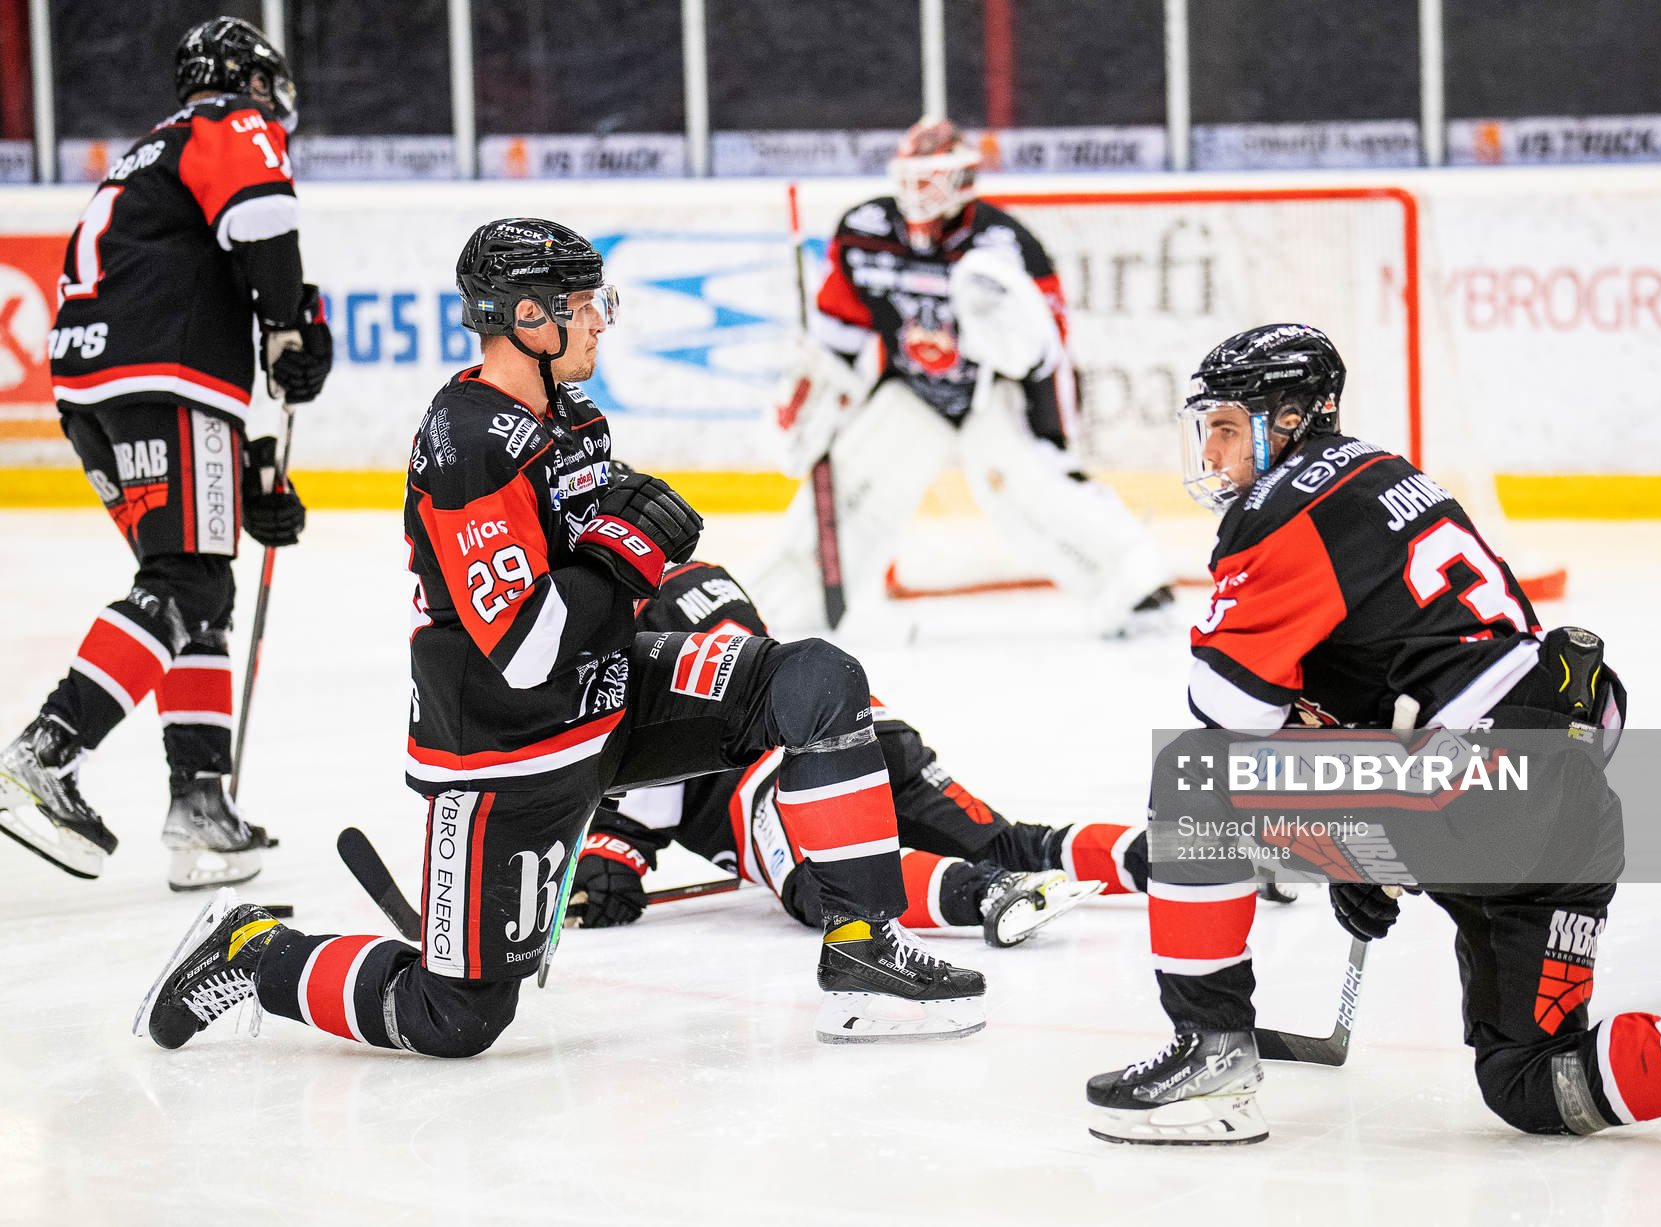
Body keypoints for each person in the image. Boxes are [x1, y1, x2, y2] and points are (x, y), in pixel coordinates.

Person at [135, 218, 985, 1058]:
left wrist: (626, 529)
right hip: (507, 746)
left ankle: (863, 951)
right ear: (528, 317)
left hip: (607, 696)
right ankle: (254, 953)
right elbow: (529, 647)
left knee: (814, 679)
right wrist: (633, 548)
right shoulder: (468, 445)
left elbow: (594, 551)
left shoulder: (571, 415)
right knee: (456, 1017)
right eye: (585, 304)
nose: (601, 320)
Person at [1083, 324, 1661, 1152]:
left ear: (1288, 419)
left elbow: (1228, 716)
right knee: (1535, 1080)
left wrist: (1360, 842)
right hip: (1566, 802)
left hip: (1479, 787)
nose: (1211, 450)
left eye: (1224, 425)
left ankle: (1211, 1060)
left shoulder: (1283, 511)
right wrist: (1372, 849)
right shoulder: (1390, 478)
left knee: (1192, 781)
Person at [0, 17, 330, 890]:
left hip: (96, 391)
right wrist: (290, 326)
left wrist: (246, 462)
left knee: (189, 591)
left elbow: (179, 280)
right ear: (245, 79)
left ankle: (200, 807)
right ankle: (45, 752)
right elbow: (264, 221)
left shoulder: (147, 157)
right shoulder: (230, 124)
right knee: (191, 582)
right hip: (164, 380)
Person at [566, 558, 1143, 945]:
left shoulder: (596, 625)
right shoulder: (703, 577)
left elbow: (650, 748)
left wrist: (614, 853)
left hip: (773, 768)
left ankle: (989, 890)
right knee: (1013, 840)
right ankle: (1185, 853)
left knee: (830, 888)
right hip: (861, 717)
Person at [747, 116, 1172, 636]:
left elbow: (1043, 352)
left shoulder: (1006, 245)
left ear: (963, 181)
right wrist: (810, 399)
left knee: (1027, 493)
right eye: (909, 177)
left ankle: (1135, 586)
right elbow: (839, 333)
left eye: (930, 179)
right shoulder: (865, 231)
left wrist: (1051, 434)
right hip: (914, 391)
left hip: (991, 395)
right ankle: (781, 611)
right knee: (852, 487)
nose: (915, 192)